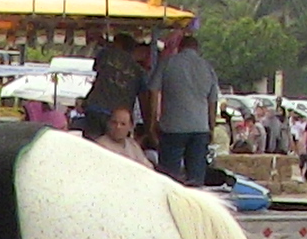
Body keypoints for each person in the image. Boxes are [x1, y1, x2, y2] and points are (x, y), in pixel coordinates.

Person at [146, 30, 217, 186]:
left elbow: (153, 90)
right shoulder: (207, 67)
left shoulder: (167, 63)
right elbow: (212, 101)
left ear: (179, 47)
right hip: (200, 128)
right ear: (197, 49)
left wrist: (152, 122)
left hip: (172, 127)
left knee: (169, 177)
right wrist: (211, 127)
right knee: (196, 178)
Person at [82, 32, 145, 141]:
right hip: (118, 116)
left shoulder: (106, 54)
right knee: (114, 148)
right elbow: (143, 95)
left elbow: (96, 67)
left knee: (91, 145)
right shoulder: (139, 71)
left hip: (96, 108)